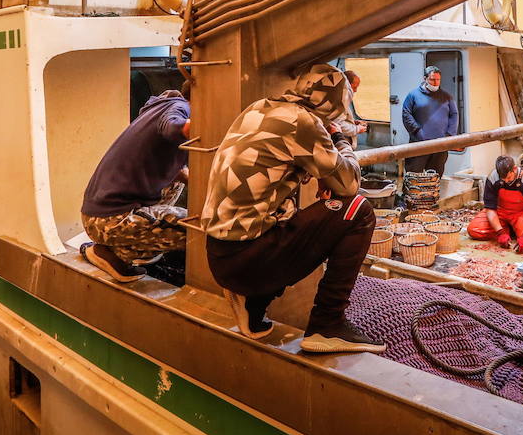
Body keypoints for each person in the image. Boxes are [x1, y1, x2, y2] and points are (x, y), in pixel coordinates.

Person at [202, 64, 384, 354]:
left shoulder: (259, 108)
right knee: (356, 210)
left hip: (220, 252)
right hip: (248, 260)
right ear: (336, 105)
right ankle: (328, 325)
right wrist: (337, 140)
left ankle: (253, 303)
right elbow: (349, 183)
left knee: (289, 210)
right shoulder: (303, 123)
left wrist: (319, 172)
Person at [79, 89, 192, 283]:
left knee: (179, 178)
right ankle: (114, 253)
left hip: (101, 213)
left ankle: (134, 241)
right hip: (109, 220)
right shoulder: (180, 107)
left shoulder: (161, 107)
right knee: (197, 229)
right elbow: (172, 127)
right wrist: (213, 124)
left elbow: (180, 173)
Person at [467, 155, 523, 251]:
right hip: (499, 212)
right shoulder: (493, 177)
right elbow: (490, 209)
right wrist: (500, 232)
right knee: (473, 229)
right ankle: (507, 230)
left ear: (514, 169)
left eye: (509, 177)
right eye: (503, 179)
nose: (506, 181)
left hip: (520, 214)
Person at [401, 65, 458, 176]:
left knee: (435, 176)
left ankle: (432, 194)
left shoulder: (447, 97)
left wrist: (449, 135)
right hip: (419, 144)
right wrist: (417, 131)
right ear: (425, 78)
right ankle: (412, 193)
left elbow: (454, 114)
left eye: (438, 80)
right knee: (414, 176)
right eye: (432, 79)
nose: (435, 83)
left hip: (440, 145)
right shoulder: (413, 95)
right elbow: (406, 114)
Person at [335, 68, 368, 145]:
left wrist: (353, 122)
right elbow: (338, 124)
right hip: (340, 144)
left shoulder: (343, 98)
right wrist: (357, 129)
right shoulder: (338, 101)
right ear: (346, 86)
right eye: (354, 87)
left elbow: (341, 118)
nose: (355, 91)